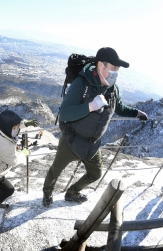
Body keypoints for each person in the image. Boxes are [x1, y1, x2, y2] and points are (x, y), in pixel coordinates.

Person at [42, 47, 148, 207]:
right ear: (100, 66)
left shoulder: (113, 90)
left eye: (118, 70)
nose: (116, 73)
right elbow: (64, 113)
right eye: (114, 68)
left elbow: (118, 108)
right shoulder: (81, 84)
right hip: (72, 140)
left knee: (96, 173)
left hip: (92, 145)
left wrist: (137, 113)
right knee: (56, 170)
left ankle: (72, 192)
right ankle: (47, 192)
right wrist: (90, 106)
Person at [0, 110, 39, 208]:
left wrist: (24, 123)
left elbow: (11, 125)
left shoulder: (2, 130)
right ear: (9, 128)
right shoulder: (3, 145)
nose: (17, 128)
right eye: (15, 127)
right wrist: (23, 153)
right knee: (9, 190)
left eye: (17, 125)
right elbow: (14, 161)